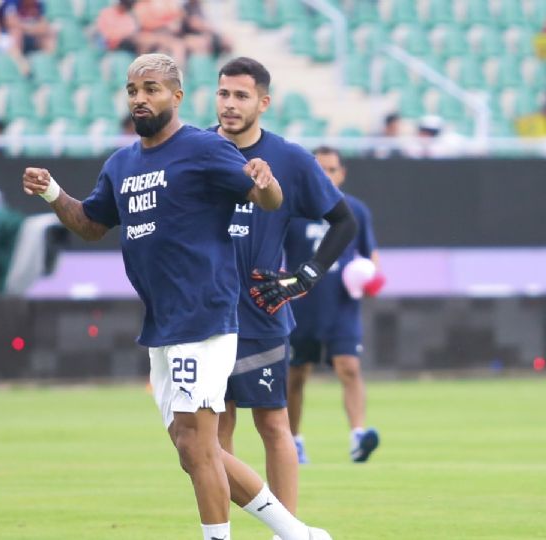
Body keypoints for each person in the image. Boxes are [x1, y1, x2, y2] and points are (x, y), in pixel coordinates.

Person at [22, 53, 332, 540]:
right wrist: (53, 193)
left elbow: (264, 198)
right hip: (162, 324)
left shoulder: (203, 149)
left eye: (151, 89)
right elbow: (90, 224)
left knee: (199, 444)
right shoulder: (122, 164)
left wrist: (266, 182)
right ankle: (299, 534)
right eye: (132, 90)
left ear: (177, 96)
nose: (140, 98)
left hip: (204, 315)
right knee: (192, 449)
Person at [212, 57, 357, 516]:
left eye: (241, 95)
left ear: (263, 102)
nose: (230, 104)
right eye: (223, 94)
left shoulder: (291, 159)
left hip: (261, 312)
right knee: (213, 434)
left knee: (274, 426)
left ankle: (287, 530)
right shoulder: (194, 149)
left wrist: (307, 275)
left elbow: (343, 221)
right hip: (204, 314)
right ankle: (222, 529)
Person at [285, 146, 384, 464]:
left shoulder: (355, 210)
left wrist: (372, 279)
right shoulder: (293, 210)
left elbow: (370, 256)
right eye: (320, 169)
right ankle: (294, 441)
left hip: (341, 303)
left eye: (332, 170)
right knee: (297, 372)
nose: (326, 176)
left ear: (341, 174)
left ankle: (358, 436)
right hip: (301, 304)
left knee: (349, 367)